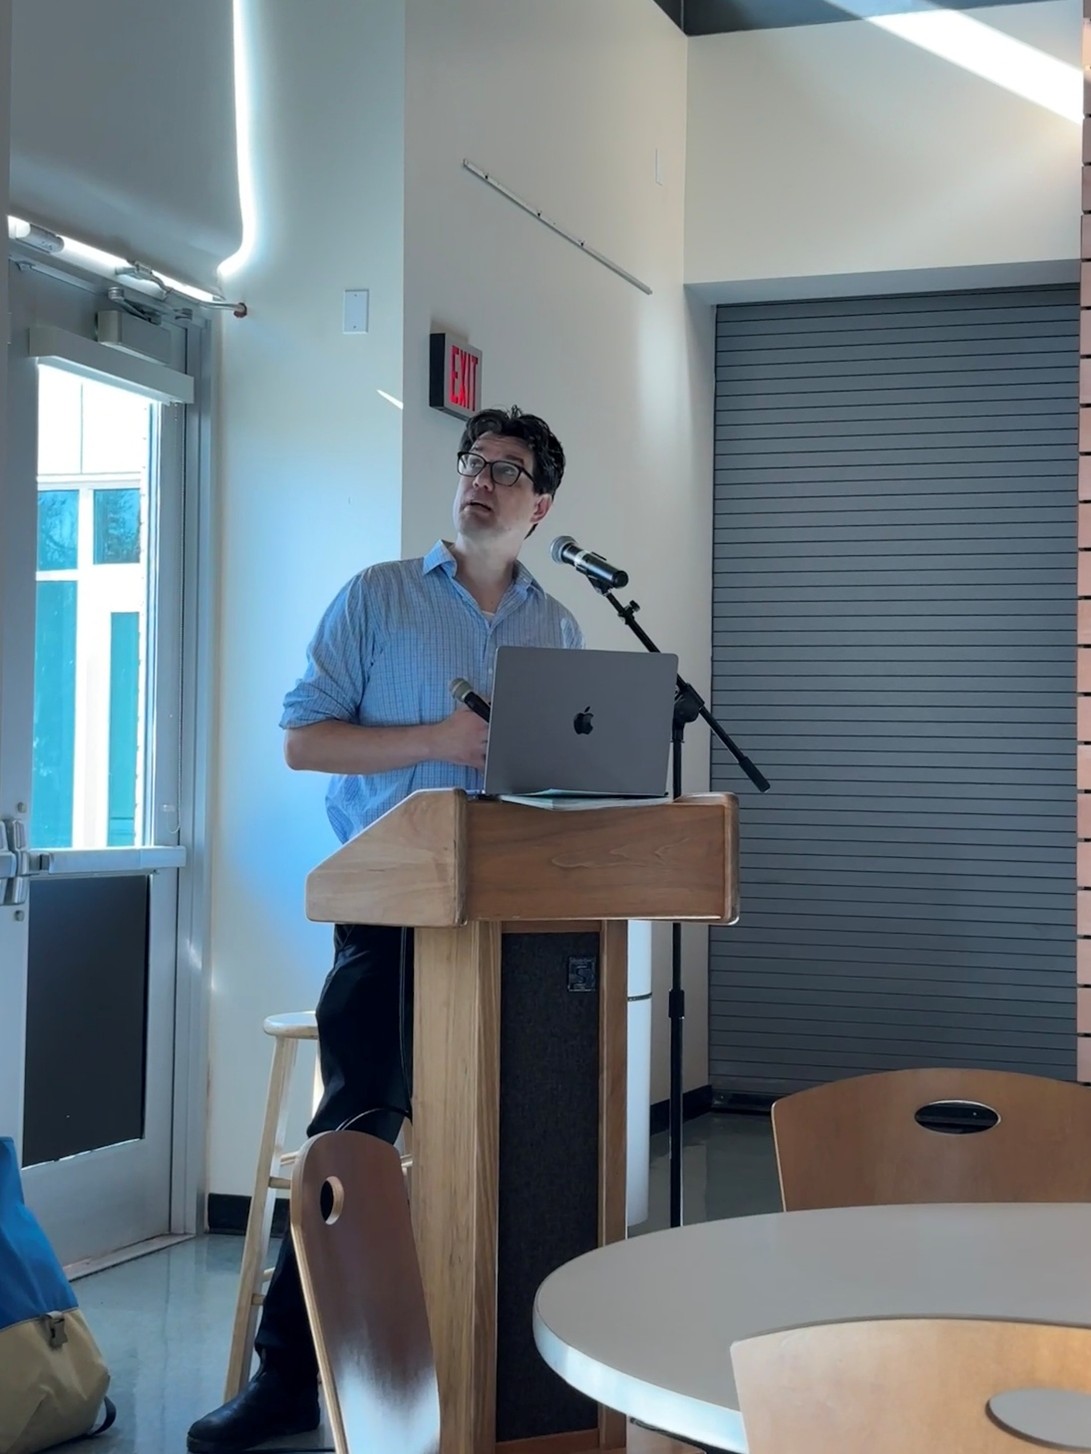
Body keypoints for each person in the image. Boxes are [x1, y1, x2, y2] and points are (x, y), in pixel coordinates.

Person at [187, 406, 583, 1453]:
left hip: (514, 924)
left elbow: (570, 780)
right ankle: (288, 1378)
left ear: (540, 505)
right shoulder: (380, 596)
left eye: (505, 470)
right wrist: (438, 738)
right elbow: (302, 739)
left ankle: (503, 1361)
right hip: (390, 909)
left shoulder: (556, 630)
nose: (480, 480)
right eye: (472, 462)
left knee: (519, 1138)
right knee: (356, 1137)